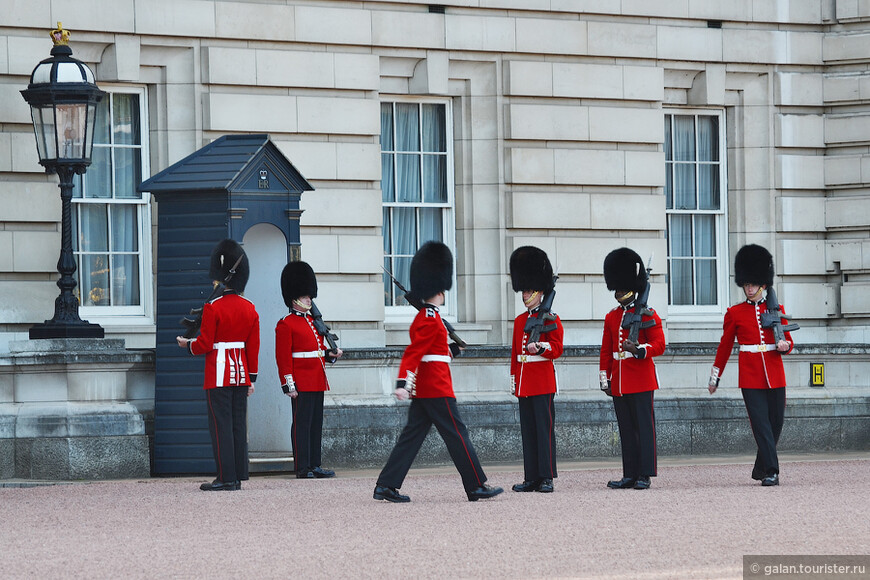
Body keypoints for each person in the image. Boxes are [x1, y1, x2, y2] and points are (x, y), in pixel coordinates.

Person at [374, 241, 503, 503]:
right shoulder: (431, 320)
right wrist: (402, 382)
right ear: (440, 292)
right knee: (457, 434)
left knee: (411, 438)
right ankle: (476, 485)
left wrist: (454, 350)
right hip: (436, 388)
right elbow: (414, 353)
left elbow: (434, 353)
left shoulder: (427, 318)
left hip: (427, 388)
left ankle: (386, 485)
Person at [707, 244, 795, 487]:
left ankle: (760, 468)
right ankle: (771, 471)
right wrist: (715, 376)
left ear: (763, 284)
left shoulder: (776, 309)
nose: (748, 288)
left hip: (775, 374)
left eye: (752, 284)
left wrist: (785, 346)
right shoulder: (735, 313)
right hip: (750, 376)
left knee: (775, 424)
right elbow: (724, 346)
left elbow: (789, 341)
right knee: (761, 425)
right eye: (746, 284)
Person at [176, 239, 260, 491]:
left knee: (220, 425)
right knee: (236, 425)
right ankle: (238, 475)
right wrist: (251, 379)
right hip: (241, 373)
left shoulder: (213, 307)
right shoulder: (250, 308)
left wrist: (186, 344)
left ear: (220, 280)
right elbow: (253, 347)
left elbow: (205, 344)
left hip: (219, 374)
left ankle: (226, 477)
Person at [599, 248, 665, 490]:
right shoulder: (611, 316)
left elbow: (659, 345)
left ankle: (644, 474)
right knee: (626, 429)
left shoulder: (648, 314)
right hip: (619, 380)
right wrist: (604, 377)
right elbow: (606, 350)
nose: (618, 291)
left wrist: (638, 349)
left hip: (641, 379)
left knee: (643, 428)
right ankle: (629, 473)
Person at [276, 261, 342, 479]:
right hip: (301, 381)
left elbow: (317, 351)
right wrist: (289, 384)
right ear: (295, 298)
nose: (309, 300)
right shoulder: (286, 324)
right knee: (302, 424)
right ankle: (302, 467)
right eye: (306, 297)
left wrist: (330, 355)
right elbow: (283, 358)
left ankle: (315, 464)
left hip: (316, 378)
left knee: (315, 424)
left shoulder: (314, 323)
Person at [508, 246, 563, 493]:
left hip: (542, 382)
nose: (525, 294)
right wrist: (514, 381)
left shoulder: (552, 319)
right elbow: (514, 355)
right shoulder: (520, 320)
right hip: (524, 383)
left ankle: (547, 476)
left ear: (540, 292)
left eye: (529, 291)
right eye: (524, 290)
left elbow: (557, 349)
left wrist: (540, 347)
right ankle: (531, 477)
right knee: (528, 432)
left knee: (543, 430)